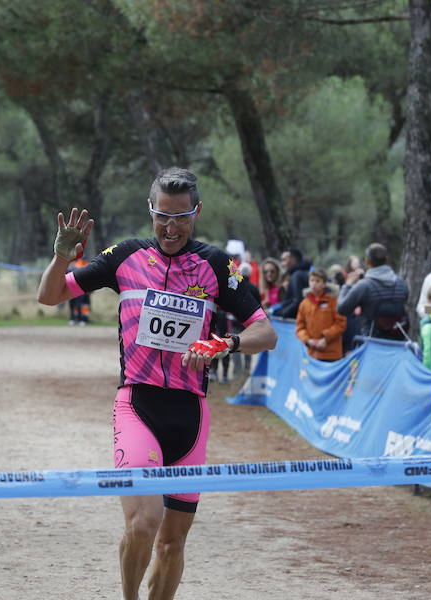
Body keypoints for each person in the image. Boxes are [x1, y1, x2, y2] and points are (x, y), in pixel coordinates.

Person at [37, 167, 276, 600]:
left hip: (190, 414)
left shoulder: (216, 265)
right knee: (143, 524)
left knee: (172, 544)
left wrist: (226, 343)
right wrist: (61, 257)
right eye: (162, 215)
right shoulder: (124, 257)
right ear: (151, 211)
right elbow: (50, 296)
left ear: (196, 212)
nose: (170, 226)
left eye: (181, 217)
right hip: (137, 406)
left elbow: (266, 332)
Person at [337, 243, 409, 340]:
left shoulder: (364, 286)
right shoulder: (401, 284)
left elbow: (342, 309)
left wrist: (347, 286)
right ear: (386, 260)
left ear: (367, 260)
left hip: (370, 343)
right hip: (397, 342)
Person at [295, 268, 346, 361]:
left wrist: (325, 338)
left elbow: (341, 324)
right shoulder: (304, 303)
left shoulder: (334, 300)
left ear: (324, 284)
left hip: (331, 354)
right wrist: (308, 340)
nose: (314, 283)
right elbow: (300, 327)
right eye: (312, 280)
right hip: (312, 353)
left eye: (318, 281)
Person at [275, 248, 312, 318]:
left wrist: (282, 313)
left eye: (285, 259)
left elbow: (298, 301)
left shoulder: (297, 275)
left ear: (292, 259)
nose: (283, 264)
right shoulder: (302, 273)